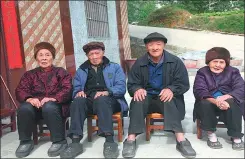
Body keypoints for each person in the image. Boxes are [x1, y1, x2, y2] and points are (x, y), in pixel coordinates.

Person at [122, 32, 196, 158]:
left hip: (166, 100)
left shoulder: (175, 62)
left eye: (158, 44)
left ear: (164, 45)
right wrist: (138, 89)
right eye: (151, 45)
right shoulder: (139, 63)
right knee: (138, 99)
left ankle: (181, 140)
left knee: (168, 98)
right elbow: (132, 84)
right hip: (147, 99)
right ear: (146, 47)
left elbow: (183, 83)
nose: (155, 47)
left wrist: (171, 89)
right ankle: (130, 139)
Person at [60, 42, 128, 158]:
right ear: (87, 56)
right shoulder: (82, 70)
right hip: (89, 100)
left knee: (102, 99)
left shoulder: (114, 67)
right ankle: (75, 142)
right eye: (91, 54)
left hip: (110, 99)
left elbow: (121, 88)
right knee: (77, 101)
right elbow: (75, 88)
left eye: (97, 53)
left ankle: (110, 142)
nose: (95, 57)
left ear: (103, 52)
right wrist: (78, 92)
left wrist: (107, 92)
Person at [15, 42, 73, 158]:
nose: (44, 58)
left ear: (52, 57)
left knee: (49, 106)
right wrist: (30, 98)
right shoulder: (29, 75)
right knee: (24, 108)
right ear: (36, 58)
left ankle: (59, 141)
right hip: (36, 107)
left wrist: (54, 98)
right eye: (41, 55)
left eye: (47, 55)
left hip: (57, 106)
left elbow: (68, 89)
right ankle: (25, 141)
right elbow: (20, 90)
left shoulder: (61, 72)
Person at [193, 47, 244, 150]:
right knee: (204, 103)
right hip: (209, 101)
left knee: (234, 103)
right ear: (208, 62)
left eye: (221, 62)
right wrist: (216, 101)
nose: (217, 65)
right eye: (214, 61)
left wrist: (226, 97)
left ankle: (236, 136)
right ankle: (211, 134)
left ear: (226, 64)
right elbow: (200, 90)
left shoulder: (233, 72)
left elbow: (241, 87)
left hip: (228, 101)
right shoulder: (202, 72)